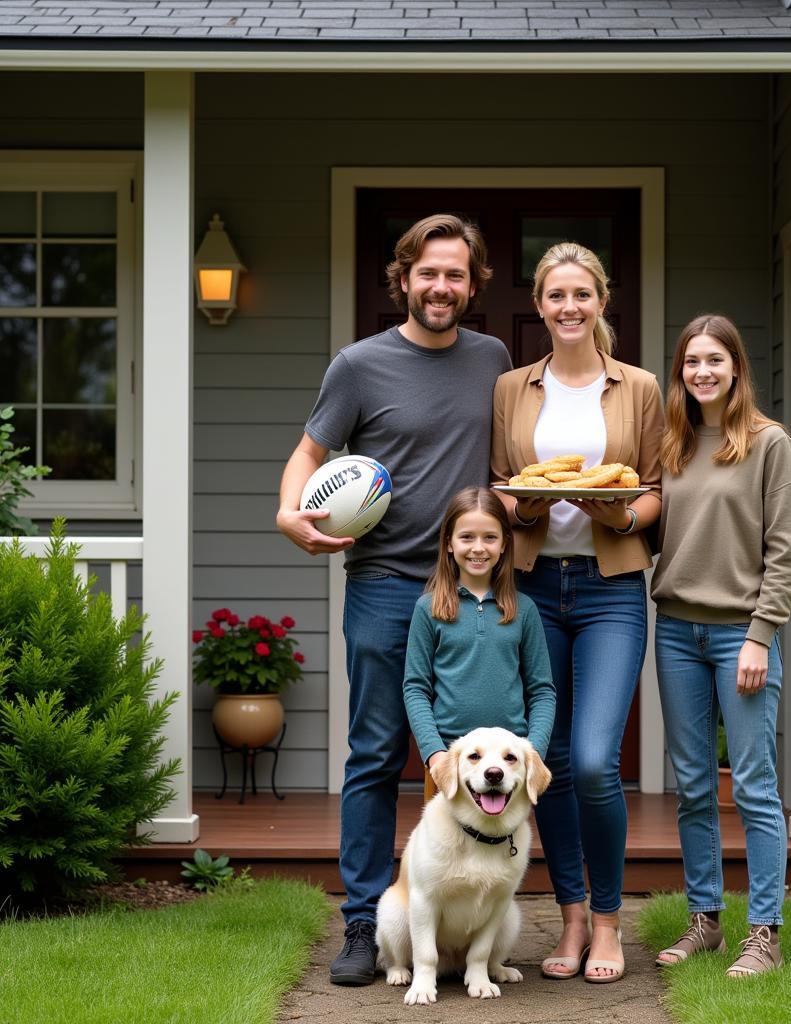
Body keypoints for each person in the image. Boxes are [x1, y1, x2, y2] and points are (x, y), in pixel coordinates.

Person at [276, 214, 512, 986]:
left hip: (469, 591)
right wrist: (289, 515)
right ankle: (362, 924)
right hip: (382, 585)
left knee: (475, 755)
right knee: (377, 755)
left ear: (473, 285)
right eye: (427, 273)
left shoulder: (494, 360)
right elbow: (309, 455)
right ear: (403, 277)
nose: (440, 287)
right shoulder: (358, 366)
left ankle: (473, 917)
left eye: (455, 275)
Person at [490, 242, 664, 984]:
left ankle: (608, 920)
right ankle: (566, 918)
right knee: (547, 763)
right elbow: (500, 484)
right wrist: (522, 502)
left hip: (609, 587)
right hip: (531, 587)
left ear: (601, 301)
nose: (569, 307)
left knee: (594, 760)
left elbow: (655, 486)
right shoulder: (510, 389)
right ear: (540, 304)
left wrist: (619, 517)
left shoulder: (641, 388)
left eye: (582, 295)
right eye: (556, 295)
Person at [652, 313, 791, 978]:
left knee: (754, 786)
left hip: (741, 634)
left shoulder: (769, 444)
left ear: (736, 367)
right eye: (692, 362)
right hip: (675, 633)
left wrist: (760, 636)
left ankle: (764, 933)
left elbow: (788, 551)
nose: (703, 372)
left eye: (715, 360)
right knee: (690, 786)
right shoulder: (673, 444)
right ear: (680, 372)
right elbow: (661, 535)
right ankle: (705, 922)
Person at [403, 486, 555, 783]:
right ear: (449, 543)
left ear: (504, 545)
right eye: (467, 537)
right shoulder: (428, 609)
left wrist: (531, 752)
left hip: (508, 761)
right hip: (453, 757)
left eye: (490, 537)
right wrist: (435, 753)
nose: (478, 547)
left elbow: (542, 691)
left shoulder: (524, 610)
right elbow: (415, 688)